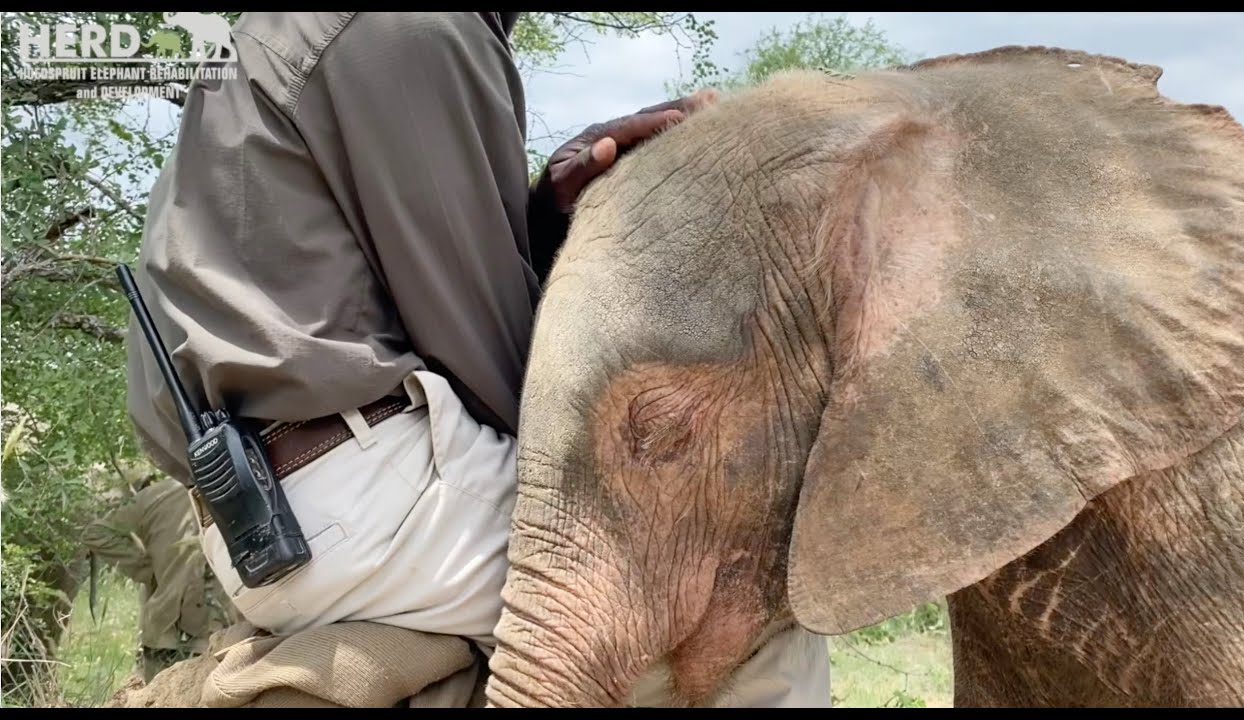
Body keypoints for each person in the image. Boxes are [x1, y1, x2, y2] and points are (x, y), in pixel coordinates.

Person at [123, 11, 829, 707]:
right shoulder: (418, 25)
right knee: (745, 601)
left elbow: (374, 287)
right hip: (374, 501)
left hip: (263, 517)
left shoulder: (291, 27)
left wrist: (543, 215)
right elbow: (498, 370)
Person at [82, 463, 239, 682]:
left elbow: (96, 533)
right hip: (216, 636)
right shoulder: (235, 489)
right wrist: (148, 570)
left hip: (166, 633)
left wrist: (148, 569)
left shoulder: (157, 494)